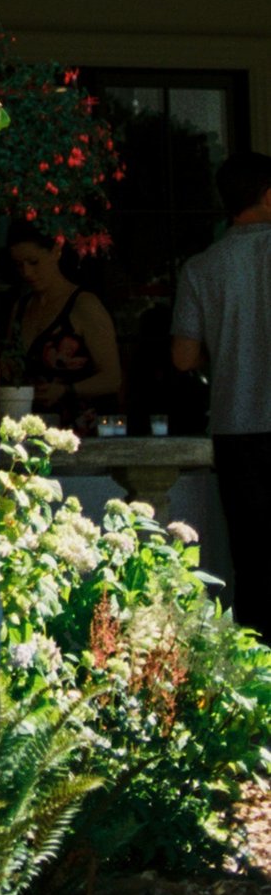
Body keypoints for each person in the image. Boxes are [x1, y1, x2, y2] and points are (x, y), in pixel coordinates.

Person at [172, 149, 271, 636]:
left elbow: (184, 358)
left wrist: (231, 345)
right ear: (269, 196)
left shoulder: (202, 267)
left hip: (237, 426)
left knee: (252, 561)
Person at [0, 222, 123, 428]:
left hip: (79, 431)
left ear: (56, 251)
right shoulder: (21, 307)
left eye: (34, 262)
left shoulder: (84, 305)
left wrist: (67, 390)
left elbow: (112, 378)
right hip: (32, 428)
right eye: (19, 265)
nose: (27, 272)